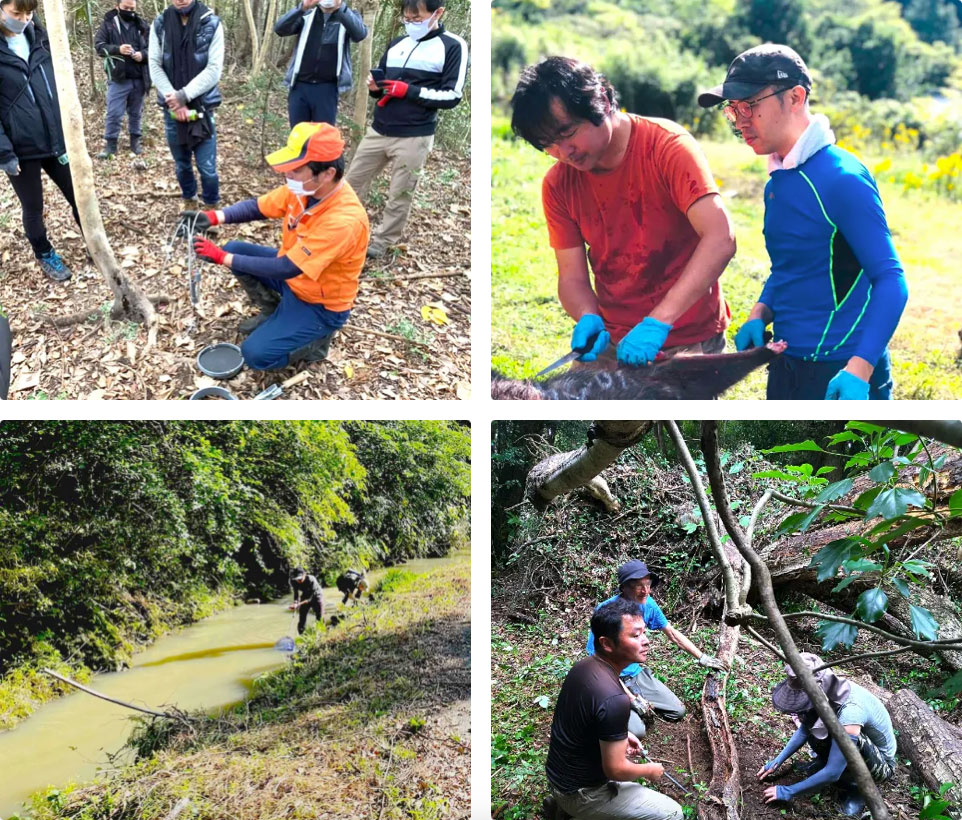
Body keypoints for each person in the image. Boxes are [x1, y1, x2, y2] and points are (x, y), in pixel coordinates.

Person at [697, 45, 908, 400]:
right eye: (732, 110)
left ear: (795, 97)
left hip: (842, 369)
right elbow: (793, 265)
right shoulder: (779, 180)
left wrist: (860, 369)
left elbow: (891, 280)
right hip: (786, 361)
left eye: (750, 105)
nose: (740, 120)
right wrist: (760, 312)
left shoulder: (842, 178)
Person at [510, 57, 735, 371]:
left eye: (569, 133)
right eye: (549, 145)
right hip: (614, 337)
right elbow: (572, 277)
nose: (565, 152)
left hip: (686, 334)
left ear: (601, 99)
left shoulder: (667, 147)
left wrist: (659, 321)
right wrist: (588, 316)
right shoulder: (559, 184)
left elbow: (721, 238)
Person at [186, 122, 369, 370]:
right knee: (237, 249)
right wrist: (213, 216)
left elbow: (286, 267)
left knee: (255, 355)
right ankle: (272, 310)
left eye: (296, 170)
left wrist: (222, 257)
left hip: (319, 304)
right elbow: (257, 207)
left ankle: (315, 343)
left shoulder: (343, 220)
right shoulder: (306, 189)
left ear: (327, 173)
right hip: (295, 279)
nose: (288, 176)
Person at [344, 0, 468, 259]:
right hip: (379, 130)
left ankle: (381, 244)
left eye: (417, 17)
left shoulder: (452, 46)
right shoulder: (396, 44)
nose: (411, 23)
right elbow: (382, 88)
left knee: (399, 195)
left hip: (415, 136)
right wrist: (375, 89)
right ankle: (342, 231)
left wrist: (409, 91)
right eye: (407, 18)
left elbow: (452, 96)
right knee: (351, 183)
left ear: (437, 13)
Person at [544, 596, 682, 820]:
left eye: (644, 632)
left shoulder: (584, 667)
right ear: (607, 643)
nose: (646, 641)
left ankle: (564, 808)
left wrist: (622, 734)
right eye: (635, 635)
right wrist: (650, 771)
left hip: (558, 777)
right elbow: (615, 770)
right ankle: (575, 812)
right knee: (673, 813)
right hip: (581, 792)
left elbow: (584, 722)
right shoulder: (614, 699)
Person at [585, 560, 728, 737]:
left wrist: (702, 657)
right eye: (638, 586)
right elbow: (599, 663)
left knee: (677, 711)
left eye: (647, 584)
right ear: (624, 588)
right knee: (638, 731)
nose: (645, 591)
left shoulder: (647, 604)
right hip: (610, 678)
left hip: (635, 674)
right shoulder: (606, 612)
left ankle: (632, 702)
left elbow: (671, 632)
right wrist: (631, 699)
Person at [0, 0, 82, 281]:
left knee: (78, 195)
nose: (22, 19)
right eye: (15, 13)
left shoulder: (40, 37)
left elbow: (57, 83)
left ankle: (95, 243)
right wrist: (5, 154)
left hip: (55, 139)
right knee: (33, 208)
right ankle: (45, 254)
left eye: (28, 13)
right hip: (20, 149)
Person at [757, 653, 896, 818]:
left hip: (880, 765)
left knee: (847, 738)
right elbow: (805, 729)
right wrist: (777, 761)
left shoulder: (851, 711)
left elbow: (833, 772)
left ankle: (855, 788)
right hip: (848, 743)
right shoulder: (828, 692)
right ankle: (824, 763)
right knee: (814, 718)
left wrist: (788, 791)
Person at [148, 0, 223, 206]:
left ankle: (211, 207)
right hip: (172, 107)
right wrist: (174, 99)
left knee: (207, 166)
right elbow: (154, 63)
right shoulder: (160, 24)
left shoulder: (212, 23)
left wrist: (185, 95)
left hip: (202, 107)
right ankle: (189, 202)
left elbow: (214, 69)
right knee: (182, 164)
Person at [274, 0, 367, 127]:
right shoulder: (306, 15)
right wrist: (303, 7)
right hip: (300, 86)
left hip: (327, 89)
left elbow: (360, 34)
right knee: (298, 136)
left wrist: (340, 8)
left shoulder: (347, 16)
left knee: (323, 138)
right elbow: (280, 29)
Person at [94, 0, 150, 158]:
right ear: (117, 6)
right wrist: (117, 49)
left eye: (132, 8)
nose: (130, 11)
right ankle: (111, 146)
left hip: (139, 76)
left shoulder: (142, 25)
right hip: (118, 78)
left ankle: (135, 142)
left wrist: (143, 55)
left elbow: (153, 47)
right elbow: (99, 46)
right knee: (114, 113)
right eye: (126, 8)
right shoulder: (109, 24)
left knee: (136, 112)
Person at [289, 567, 324, 633]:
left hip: (316, 595)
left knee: (319, 617)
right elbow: (296, 594)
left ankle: (320, 634)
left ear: (304, 574)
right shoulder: (294, 581)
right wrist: (295, 602)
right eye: (297, 579)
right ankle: (301, 636)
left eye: (300, 579)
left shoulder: (311, 580)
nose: (298, 581)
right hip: (305, 594)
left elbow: (310, 598)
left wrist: (298, 604)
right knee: (302, 617)